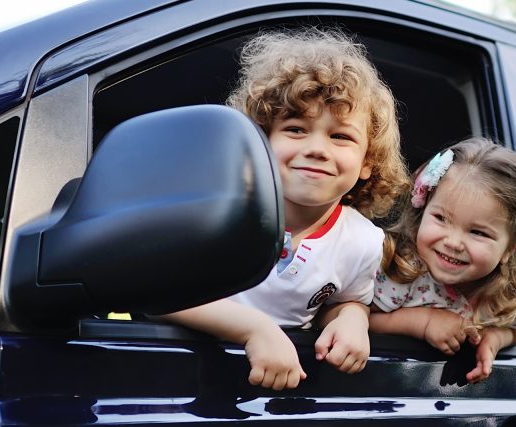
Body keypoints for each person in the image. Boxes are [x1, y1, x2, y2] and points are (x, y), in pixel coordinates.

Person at [158, 28, 408, 391]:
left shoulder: (363, 242)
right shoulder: (215, 213)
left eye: (340, 136)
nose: (317, 148)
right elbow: (158, 295)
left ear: (367, 160)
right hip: (179, 379)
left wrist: (352, 319)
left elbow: (345, 299)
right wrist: (254, 329)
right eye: (296, 129)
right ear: (260, 139)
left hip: (279, 396)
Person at [369, 137, 516, 384]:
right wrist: (423, 322)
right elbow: (348, 316)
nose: (453, 242)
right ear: (422, 208)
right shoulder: (398, 269)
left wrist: (496, 339)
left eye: (478, 232)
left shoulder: (515, 290)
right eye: (441, 218)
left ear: (509, 249)